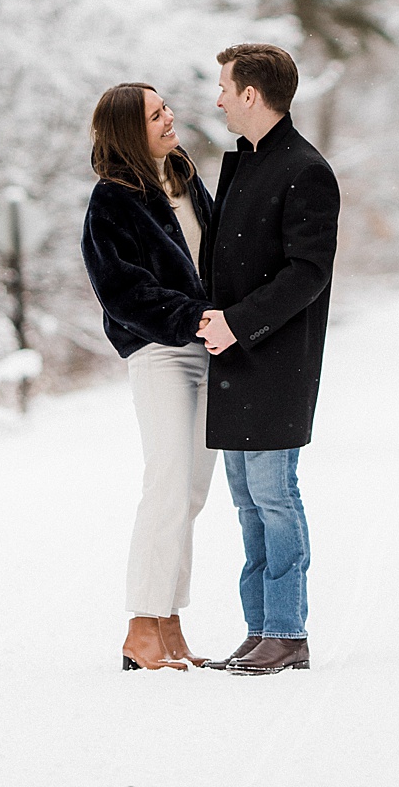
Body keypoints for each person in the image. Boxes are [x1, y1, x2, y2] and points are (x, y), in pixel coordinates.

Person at [197, 43, 341, 676]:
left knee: (274, 495)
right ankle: (260, 628)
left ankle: (289, 630)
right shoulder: (245, 165)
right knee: (246, 501)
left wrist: (238, 323)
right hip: (234, 358)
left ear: (251, 94)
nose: (218, 97)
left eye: (225, 87)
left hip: (276, 357)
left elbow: (307, 272)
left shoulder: (306, 169)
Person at [80, 81, 216, 673]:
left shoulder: (184, 178)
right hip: (160, 352)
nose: (169, 118)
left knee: (191, 492)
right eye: (155, 115)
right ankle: (140, 628)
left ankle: (170, 625)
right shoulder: (112, 200)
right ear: (129, 131)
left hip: (211, 349)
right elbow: (121, 291)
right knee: (165, 483)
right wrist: (192, 317)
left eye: (165, 109)